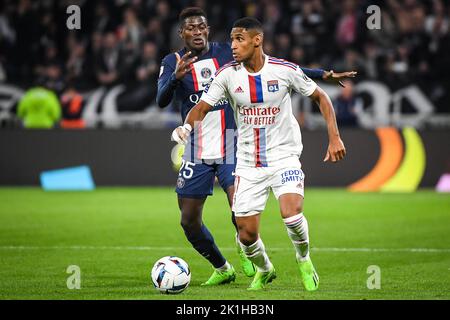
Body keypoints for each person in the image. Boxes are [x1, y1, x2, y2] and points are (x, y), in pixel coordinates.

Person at [160, 8, 352, 287]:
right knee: (211, 225)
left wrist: (324, 78)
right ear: (182, 33)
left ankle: (301, 259)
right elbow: (180, 103)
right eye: (191, 28)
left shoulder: (239, 56)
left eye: (202, 26)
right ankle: (244, 267)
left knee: (287, 214)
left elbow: (304, 81)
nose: (234, 45)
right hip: (220, 153)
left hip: (257, 150)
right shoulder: (192, 66)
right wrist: (183, 117)